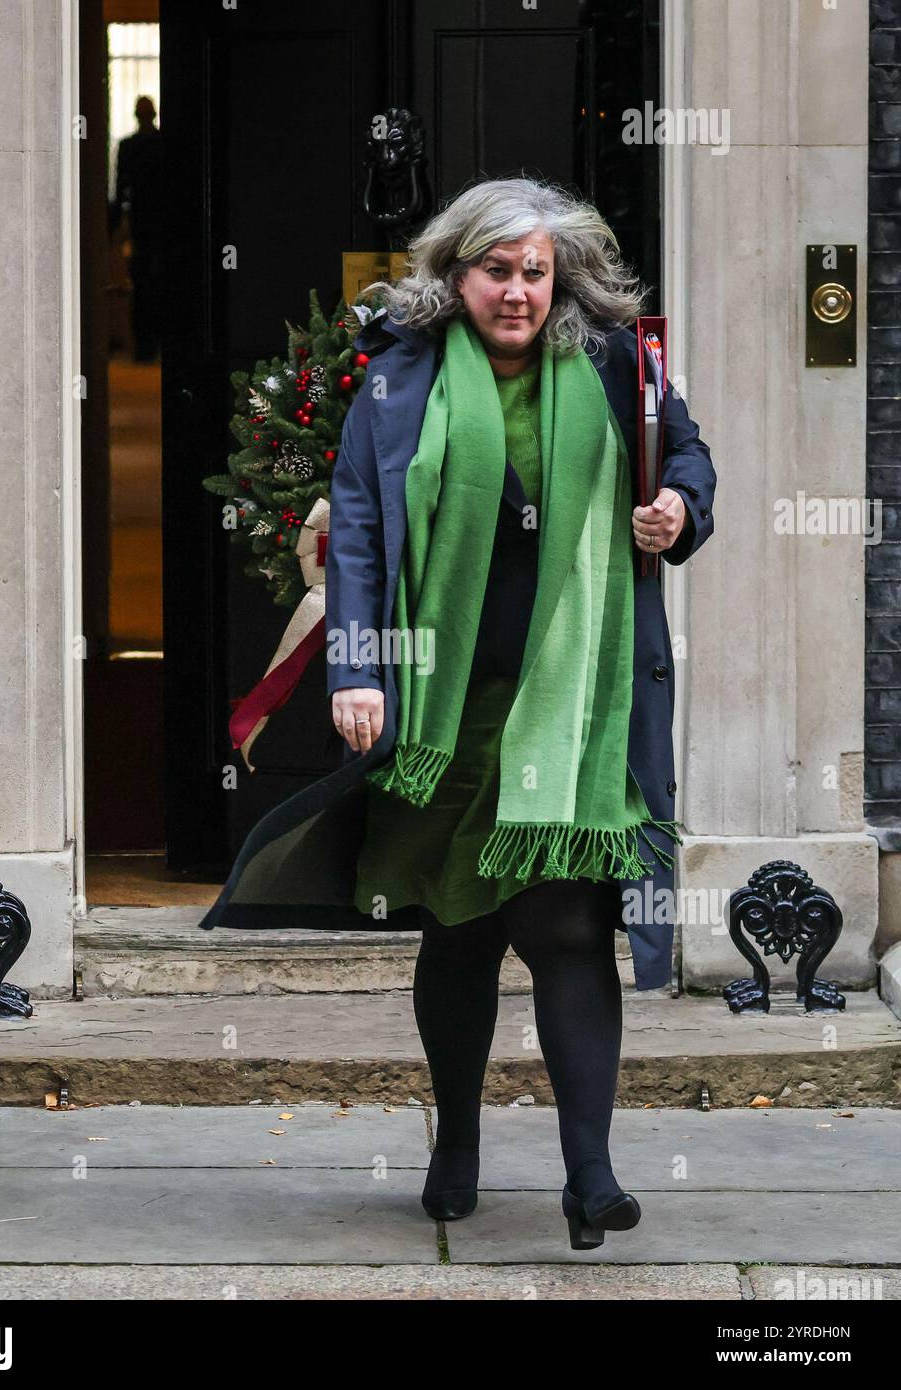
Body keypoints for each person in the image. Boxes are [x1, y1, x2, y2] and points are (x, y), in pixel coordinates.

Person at [327, 177, 717, 1249]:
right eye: (494, 269)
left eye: (532, 272)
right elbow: (358, 531)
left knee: (566, 923)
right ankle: (456, 1141)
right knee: (456, 930)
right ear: (456, 274)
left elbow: (687, 457)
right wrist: (355, 669)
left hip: (575, 702)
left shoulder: (613, 364)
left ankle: (589, 1176)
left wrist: (676, 507)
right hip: (443, 707)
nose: (514, 291)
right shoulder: (397, 380)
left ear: (561, 280)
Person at [114, 95, 163, 362]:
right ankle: (149, 343)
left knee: (144, 285)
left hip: (144, 221)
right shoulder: (158, 144)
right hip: (154, 222)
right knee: (151, 284)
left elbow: (122, 188)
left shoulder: (130, 146)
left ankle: (146, 344)